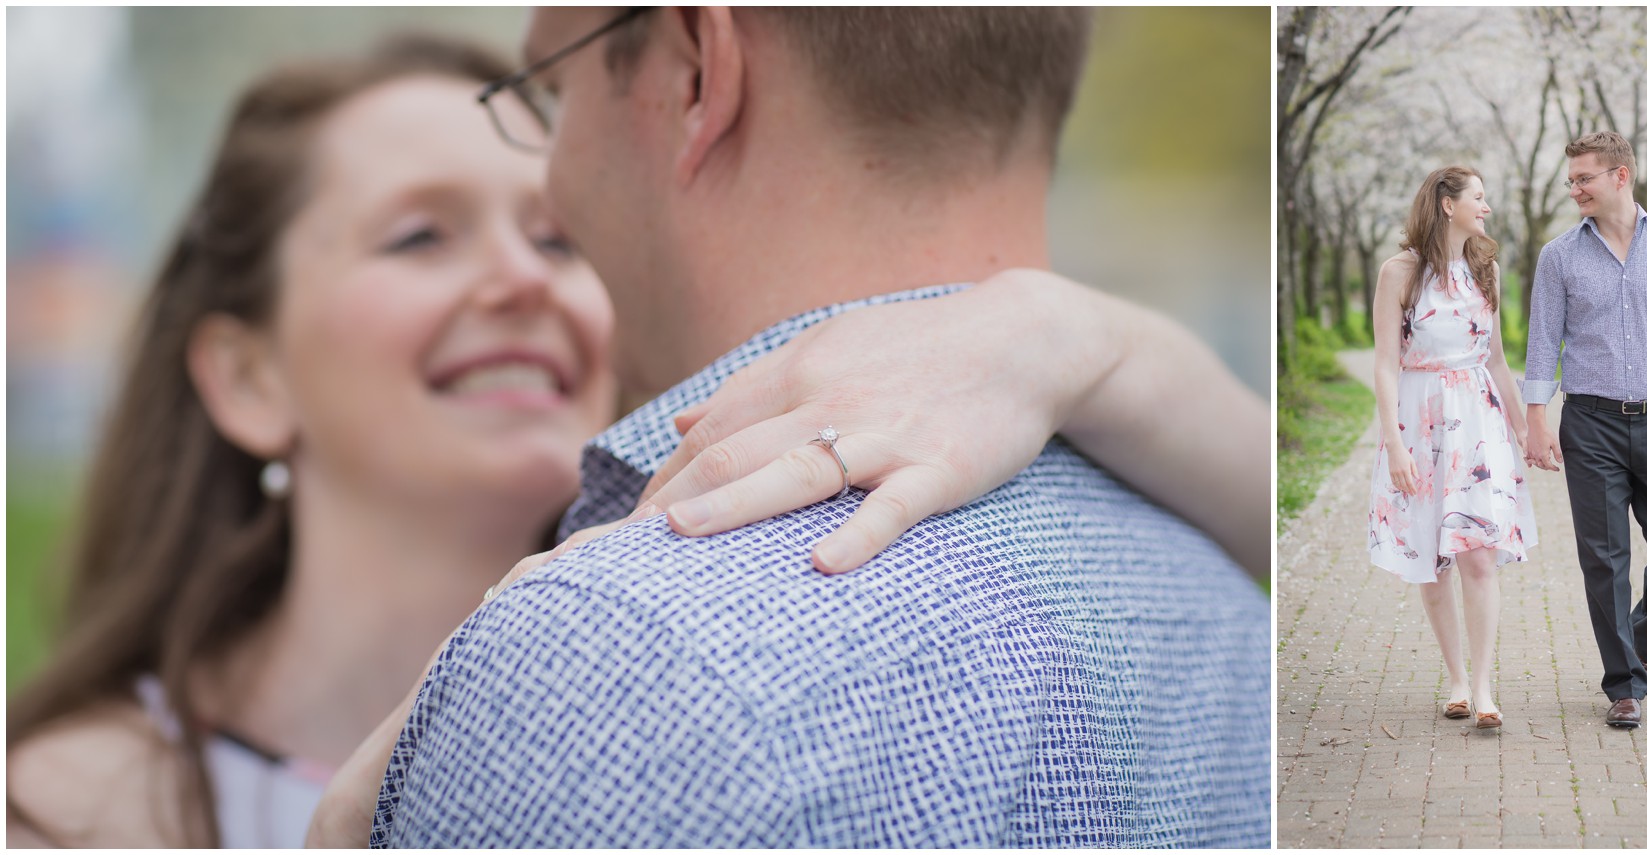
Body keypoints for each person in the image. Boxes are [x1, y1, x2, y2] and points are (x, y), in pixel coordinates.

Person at [7, 28, 1265, 849]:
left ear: (700, 77)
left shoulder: (622, 666)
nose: (526, 275)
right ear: (244, 371)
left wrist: (1077, 343)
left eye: (550, 234)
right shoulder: (65, 801)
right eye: (418, 237)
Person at [1522, 131, 1647, 730]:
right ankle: (1624, 682)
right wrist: (1536, 420)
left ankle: (1641, 642)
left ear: (1621, 176)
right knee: (1605, 560)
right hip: (1591, 425)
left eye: (1585, 178)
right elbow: (1541, 343)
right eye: (1571, 180)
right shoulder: (1559, 256)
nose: (1574, 188)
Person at [1367, 165, 1536, 730]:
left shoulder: (1485, 270)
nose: (1486, 208)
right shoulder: (1399, 274)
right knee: (1431, 560)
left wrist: (1525, 430)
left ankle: (1485, 686)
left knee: (1478, 553)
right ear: (1446, 204)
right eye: (1478, 198)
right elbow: (1386, 364)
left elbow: (1496, 359)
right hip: (1420, 423)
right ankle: (1456, 680)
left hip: (1478, 422)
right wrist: (1393, 442)